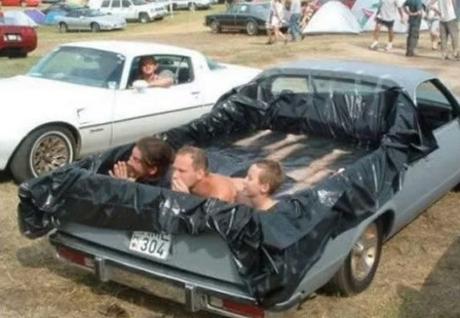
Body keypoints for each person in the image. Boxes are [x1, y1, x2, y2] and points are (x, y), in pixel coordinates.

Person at [171, 146, 239, 203]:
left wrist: (186, 199)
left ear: (199, 174)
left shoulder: (220, 196)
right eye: (174, 169)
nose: (174, 175)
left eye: (181, 171)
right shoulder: (189, 183)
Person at [109, 136, 175, 185]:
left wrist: (124, 187)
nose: (129, 161)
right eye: (131, 156)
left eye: (135, 160)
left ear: (152, 170)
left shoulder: (161, 188)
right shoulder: (142, 175)